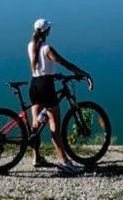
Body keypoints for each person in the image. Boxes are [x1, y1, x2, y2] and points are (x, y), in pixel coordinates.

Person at [28, 18, 93, 175]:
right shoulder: (47, 48)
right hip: (46, 88)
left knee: (35, 126)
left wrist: (53, 73)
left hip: (35, 85)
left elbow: (42, 68)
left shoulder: (31, 46)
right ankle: (65, 163)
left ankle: (36, 158)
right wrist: (83, 73)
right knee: (55, 128)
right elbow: (65, 63)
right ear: (47, 32)